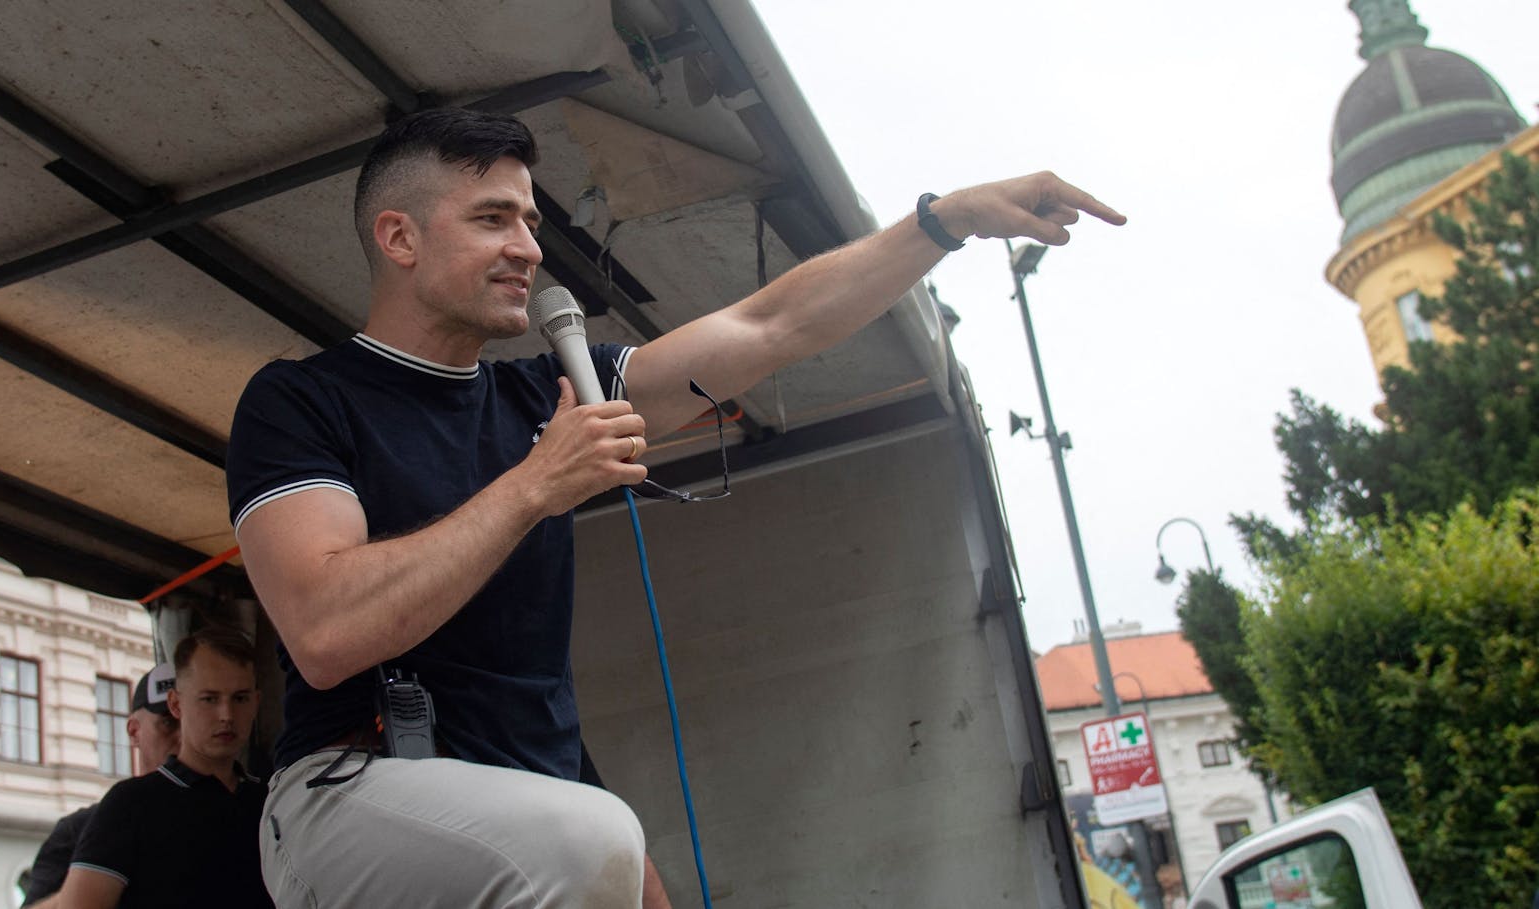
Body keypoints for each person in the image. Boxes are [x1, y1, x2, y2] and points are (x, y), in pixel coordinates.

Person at [227, 106, 1124, 909]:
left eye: (531, 221)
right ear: (400, 237)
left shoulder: (551, 394)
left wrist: (944, 222)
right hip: (349, 794)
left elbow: (772, 327)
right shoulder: (301, 403)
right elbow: (325, 626)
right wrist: (535, 484)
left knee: (598, 842)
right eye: (492, 219)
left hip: (546, 799)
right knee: (590, 840)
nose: (530, 249)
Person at [60, 626, 272, 909]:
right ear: (176, 704)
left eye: (240, 698)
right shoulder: (130, 805)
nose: (226, 715)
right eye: (209, 699)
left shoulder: (270, 801)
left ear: (256, 703)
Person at [20, 663, 179, 909]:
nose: (182, 737)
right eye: (169, 723)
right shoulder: (82, 828)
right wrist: (93, 885)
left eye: (189, 721)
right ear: (134, 731)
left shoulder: (226, 810)